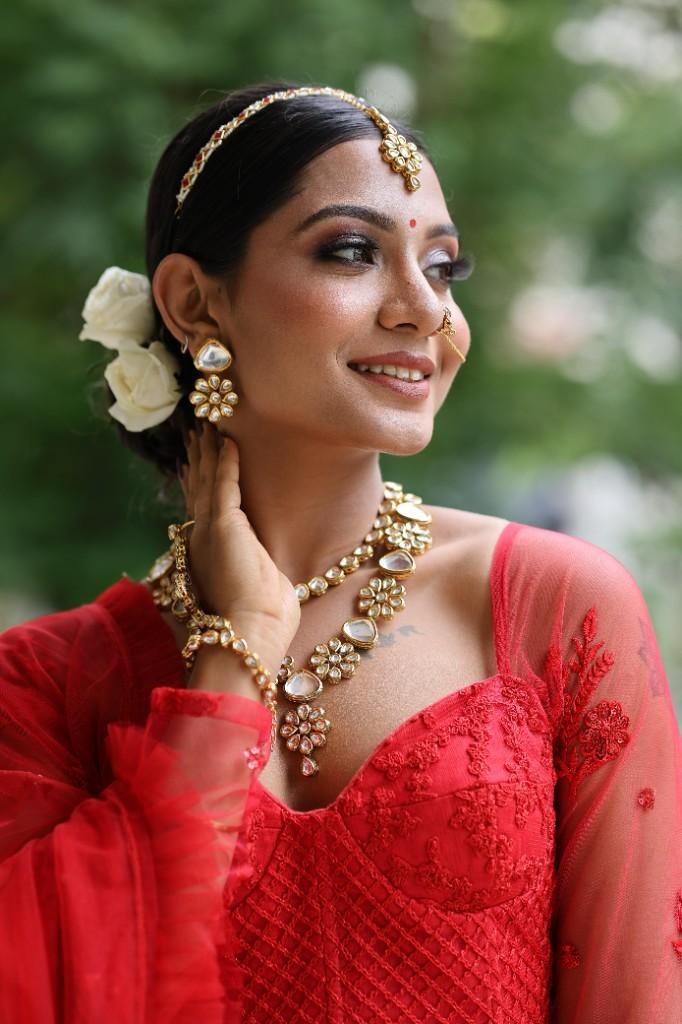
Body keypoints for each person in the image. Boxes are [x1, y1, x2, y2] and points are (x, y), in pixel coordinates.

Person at [0, 80, 680, 1024]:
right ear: (194, 301)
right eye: (352, 251)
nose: (422, 310)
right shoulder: (42, 687)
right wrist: (235, 649)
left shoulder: (554, 609)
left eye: (443, 267)